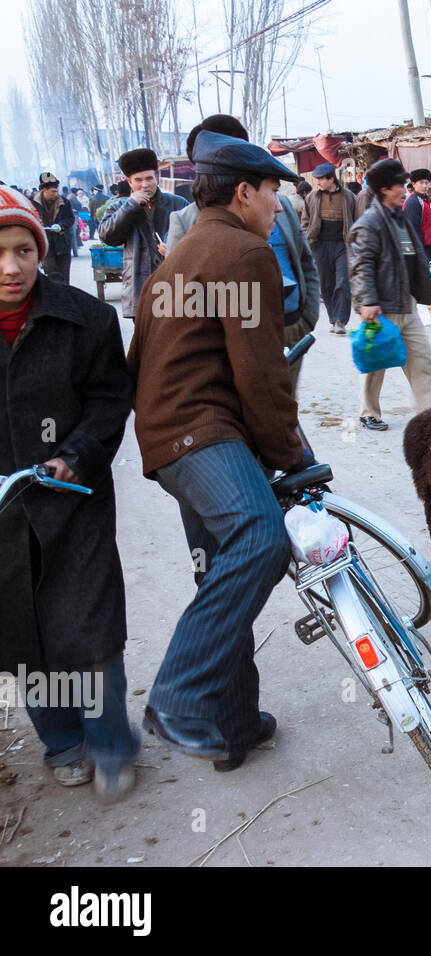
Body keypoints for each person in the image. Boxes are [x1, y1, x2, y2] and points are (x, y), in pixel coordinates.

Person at [128, 131, 308, 773]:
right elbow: (262, 376)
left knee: (221, 571)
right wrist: (290, 452)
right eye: (272, 193)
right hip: (203, 435)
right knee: (262, 541)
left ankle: (233, 727)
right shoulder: (244, 251)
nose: (277, 206)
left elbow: (141, 355)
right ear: (242, 192)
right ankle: (179, 694)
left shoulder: (177, 257)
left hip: (169, 442)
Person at [0, 185, 138, 800]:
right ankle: (61, 741)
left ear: (40, 248)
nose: (11, 266)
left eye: (23, 249)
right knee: (21, 628)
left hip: (72, 500)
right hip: (5, 515)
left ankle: (110, 743)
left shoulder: (87, 319)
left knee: (88, 626)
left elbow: (111, 399)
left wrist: (74, 454)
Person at [168, 115, 321, 395]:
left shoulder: (280, 204)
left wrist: (307, 318)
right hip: (236, 342)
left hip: (290, 326)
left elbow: (306, 262)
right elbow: (180, 298)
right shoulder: (185, 221)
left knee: (285, 406)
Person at [349, 158, 431, 431]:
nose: (405, 188)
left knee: (422, 360)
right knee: (376, 362)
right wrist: (368, 301)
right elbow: (360, 263)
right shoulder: (370, 223)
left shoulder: (401, 218)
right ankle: (369, 412)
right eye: (401, 184)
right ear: (385, 189)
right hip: (381, 306)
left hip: (405, 303)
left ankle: (430, 415)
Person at [98, 148, 189, 321]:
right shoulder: (119, 207)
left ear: (157, 177)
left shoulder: (178, 203)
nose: (145, 184)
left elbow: (195, 239)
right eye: (138, 180)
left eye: (149, 178)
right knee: (145, 343)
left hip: (174, 284)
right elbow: (108, 236)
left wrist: (174, 247)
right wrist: (131, 205)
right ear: (129, 182)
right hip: (139, 286)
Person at [303, 162, 362, 334]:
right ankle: (332, 316)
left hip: (343, 245)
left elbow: (358, 221)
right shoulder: (312, 197)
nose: (318, 182)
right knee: (326, 283)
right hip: (320, 245)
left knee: (343, 281)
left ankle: (340, 321)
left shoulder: (349, 196)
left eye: (321, 179)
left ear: (331, 179)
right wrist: (307, 237)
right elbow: (305, 222)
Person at [32, 172, 75, 283]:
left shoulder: (64, 202)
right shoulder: (32, 203)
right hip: (45, 245)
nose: (56, 194)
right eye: (53, 191)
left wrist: (61, 225)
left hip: (62, 243)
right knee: (51, 274)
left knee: (64, 275)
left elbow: (70, 218)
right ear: (44, 190)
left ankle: (65, 298)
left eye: (56, 191)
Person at [403, 167, 431, 264]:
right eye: (421, 183)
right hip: (422, 250)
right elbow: (412, 230)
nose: (424, 186)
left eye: (426, 183)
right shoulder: (413, 202)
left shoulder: (429, 201)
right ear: (414, 184)